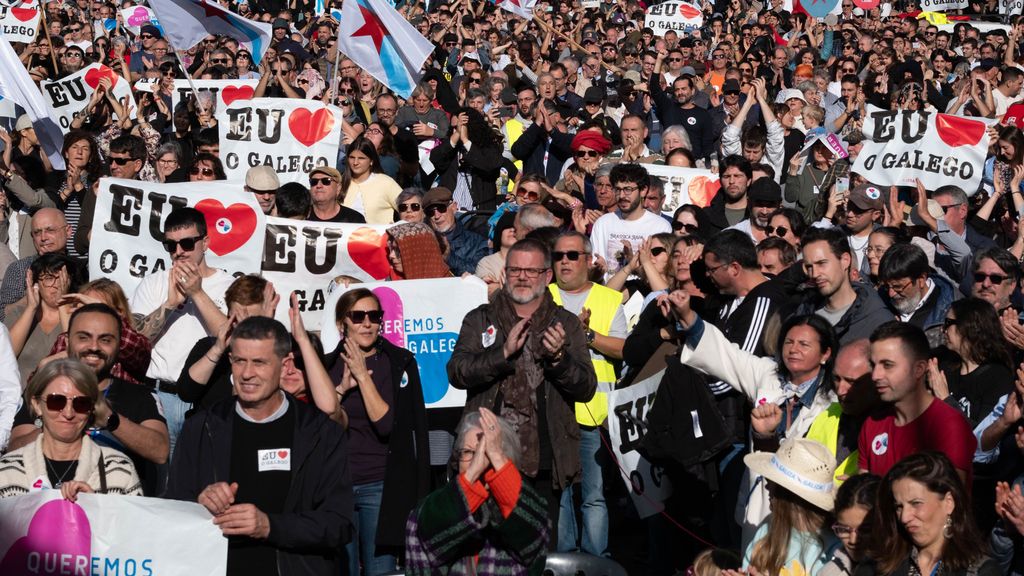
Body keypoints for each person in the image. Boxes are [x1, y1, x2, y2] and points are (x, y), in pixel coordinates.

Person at [165, 317, 353, 576]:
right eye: (239, 361)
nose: (246, 373)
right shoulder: (201, 427)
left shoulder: (319, 432)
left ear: (284, 365)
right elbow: (171, 512)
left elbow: (338, 524)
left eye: (259, 363)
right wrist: (198, 503)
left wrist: (270, 526)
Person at [447, 238, 597, 549]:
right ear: (505, 273)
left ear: (547, 276)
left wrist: (559, 360)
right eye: (516, 270)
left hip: (544, 460)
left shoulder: (566, 323)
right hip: (485, 456)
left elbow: (586, 388)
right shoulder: (480, 319)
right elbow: (457, 372)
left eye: (532, 271)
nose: (523, 277)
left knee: (538, 550)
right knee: (487, 550)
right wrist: (501, 354)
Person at [327, 288, 430, 575]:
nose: (367, 323)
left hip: (379, 486)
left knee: (380, 572)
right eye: (358, 316)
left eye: (374, 316)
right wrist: (340, 388)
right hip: (338, 487)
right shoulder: (328, 365)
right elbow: (322, 423)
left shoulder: (397, 362)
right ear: (341, 324)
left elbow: (385, 425)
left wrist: (361, 376)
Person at [130, 207, 232, 462]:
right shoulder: (153, 283)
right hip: (158, 397)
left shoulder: (229, 285)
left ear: (205, 242)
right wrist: (169, 305)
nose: (179, 252)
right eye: (171, 245)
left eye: (187, 243)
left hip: (204, 399)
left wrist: (197, 293)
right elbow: (135, 342)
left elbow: (230, 338)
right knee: (160, 487)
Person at [548, 231, 626, 557]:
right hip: (553, 410)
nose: (564, 262)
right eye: (558, 256)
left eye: (572, 255)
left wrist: (587, 335)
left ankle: (595, 561)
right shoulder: (542, 295)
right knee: (561, 492)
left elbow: (624, 349)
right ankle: (563, 559)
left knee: (593, 494)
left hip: (594, 412)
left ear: (588, 260)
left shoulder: (609, 299)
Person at [405, 409, 549, 574]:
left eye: (485, 451)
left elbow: (531, 529)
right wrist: (471, 474)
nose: (479, 459)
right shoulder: (434, 508)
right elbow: (429, 528)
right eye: (467, 452)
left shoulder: (534, 510)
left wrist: (495, 456)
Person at [0, 359, 141, 498]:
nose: (68, 413)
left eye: (81, 403)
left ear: (92, 408)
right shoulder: (6, 470)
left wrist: (97, 507)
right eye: (56, 401)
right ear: (37, 405)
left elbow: (131, 521)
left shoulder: (119, 470)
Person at [859, 322, 977, 482]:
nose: (875, 375)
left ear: (919, 369)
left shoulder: (949, 425)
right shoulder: (872, 424)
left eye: (888, 365)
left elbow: (951, 500)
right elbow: (864, 490)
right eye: (873, 365)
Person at [858, 452, 1000, 576]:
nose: (904, 517)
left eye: (916, 503)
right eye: (899, 506)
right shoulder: (878, 564)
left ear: (948, 503)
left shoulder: (980, 571)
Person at [740, 438, 842, 575]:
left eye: (772, 481)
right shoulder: (766, 531)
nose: (766, 485)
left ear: (788, 495)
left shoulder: (833, 549)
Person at [795, 226, 894, 345]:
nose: (815, 274)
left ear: (845, 260)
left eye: (822, 263)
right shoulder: (803, 310)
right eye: (809, 267)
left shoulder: (878, 322)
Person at [930, 298, 1014, 427]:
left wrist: (945, 399)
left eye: (948, 323)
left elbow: (981, 437)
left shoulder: (997, 377)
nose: (943, 329)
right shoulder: (943, 361)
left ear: (968, 327)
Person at [589, 163, 672, 279]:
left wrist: (634, 264)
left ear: (643, 190)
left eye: (628, 189)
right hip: (608, 293)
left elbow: (663, 273)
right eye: (618, 189)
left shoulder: (660, 226)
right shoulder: (603, 223)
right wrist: (596, 271)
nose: (622, 195)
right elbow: (594, 269)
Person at [820, 473, 881, 576]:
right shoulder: (830, 573)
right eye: (844, 529)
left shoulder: (911, 566)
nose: (853, 540)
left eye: (864, 529)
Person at [422, 186, 488, 276]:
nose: (437, 216)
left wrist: (448, 256)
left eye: (441, 208)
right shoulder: (422, 242)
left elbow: (479, 272)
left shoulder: (477, 243)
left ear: (454, 207)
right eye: (431, 212)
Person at [339, 137, 402, 224]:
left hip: (380, 236)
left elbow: (408, 208)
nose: (355, 162)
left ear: (371, 161)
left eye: (361, 158)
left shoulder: (386, 183)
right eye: (352, 157)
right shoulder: (339, 183)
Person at [386, 222, 452, 280]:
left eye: (398, 250)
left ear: (419, 252)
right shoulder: (391, 283)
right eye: (391, 248)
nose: (391, 255)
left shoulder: (453, 285)